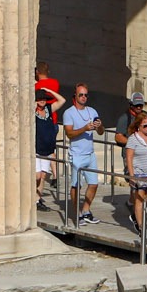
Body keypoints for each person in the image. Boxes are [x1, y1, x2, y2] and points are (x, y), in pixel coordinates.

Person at [63, 83, 104, 224]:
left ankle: (86, 210)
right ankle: (77, 213)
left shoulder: (92, 111)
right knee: (76, 185)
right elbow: (69, 133)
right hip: (77, 154)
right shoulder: (69, 113)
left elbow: (101, 131)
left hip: (90, 153)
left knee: (93, 184)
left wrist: (99, 126)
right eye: (81, 94)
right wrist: (84, 128)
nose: (84, 97)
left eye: (86, 95)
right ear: (75, 96)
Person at [125, 107, 147, 231]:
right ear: (138, 126)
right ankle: (141, 227)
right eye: (145, 126)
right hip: (139, 173)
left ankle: (136, 215)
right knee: (139, 199)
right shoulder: (132, 139)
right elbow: (129, 158)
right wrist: (132, 175)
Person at [33, 87, 62, 210]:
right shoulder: (32, 112)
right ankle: (31, 197)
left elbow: (62, 100)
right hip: (36, 149)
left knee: (43, 176)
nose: (42, 101)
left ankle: (37, 200)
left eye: (44, 99)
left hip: (47, 149)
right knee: (37, 176)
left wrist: (49, 91)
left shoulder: (49, 109)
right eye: (39, 99)